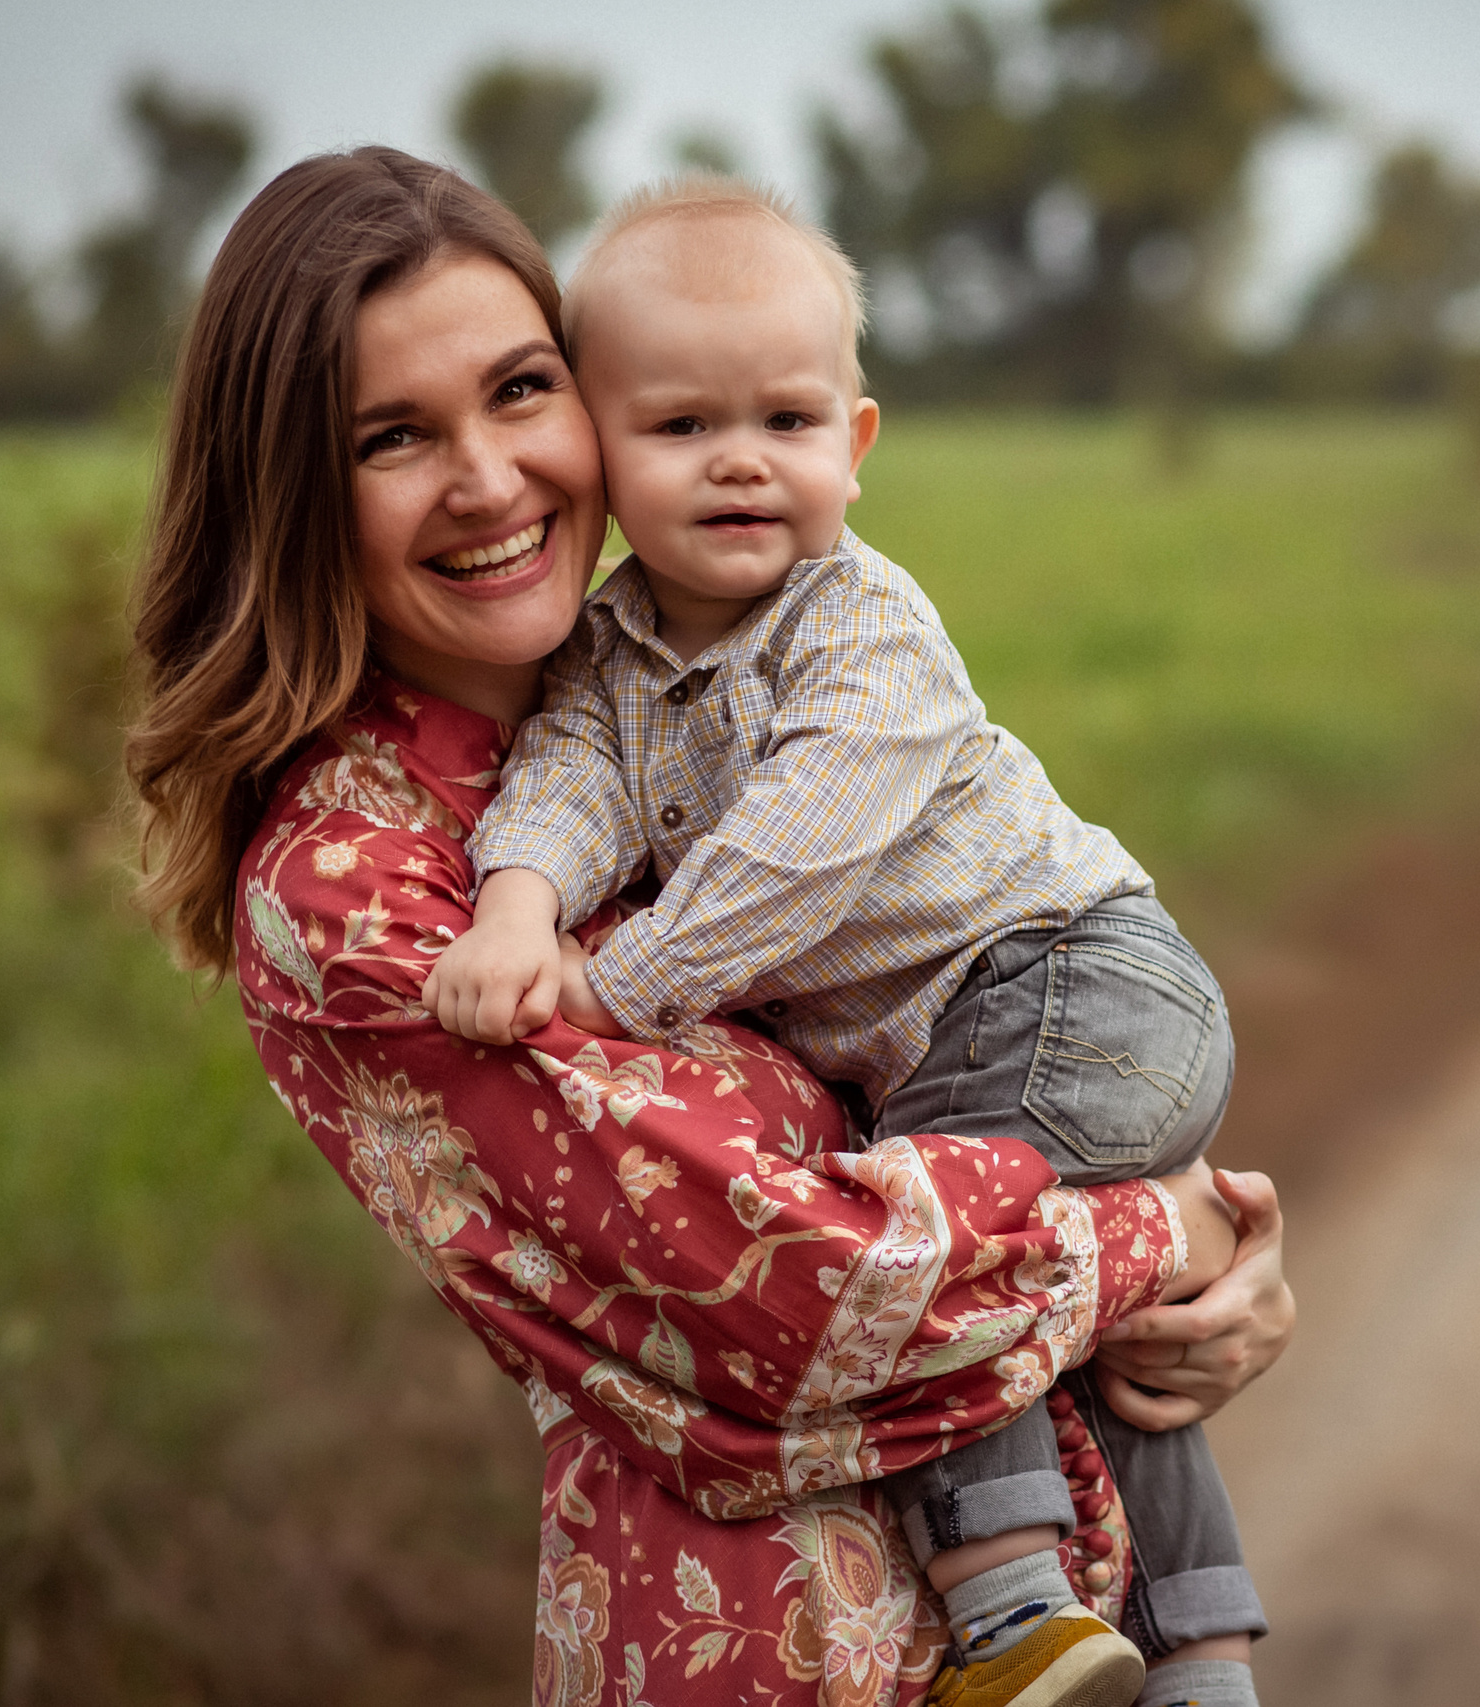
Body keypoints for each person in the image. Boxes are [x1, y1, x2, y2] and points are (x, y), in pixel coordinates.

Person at [124, 145, 1295, 1707]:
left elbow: (947, 1077)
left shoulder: (716, 678)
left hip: (1034, 1629)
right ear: (290, 491)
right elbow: (800, 1310)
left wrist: (1189, 1271)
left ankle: (1203, 1650)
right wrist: (1186, 1232)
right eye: (392, 437)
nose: (489, 478)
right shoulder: (360, 883)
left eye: (519, 391)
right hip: (764, 1640)